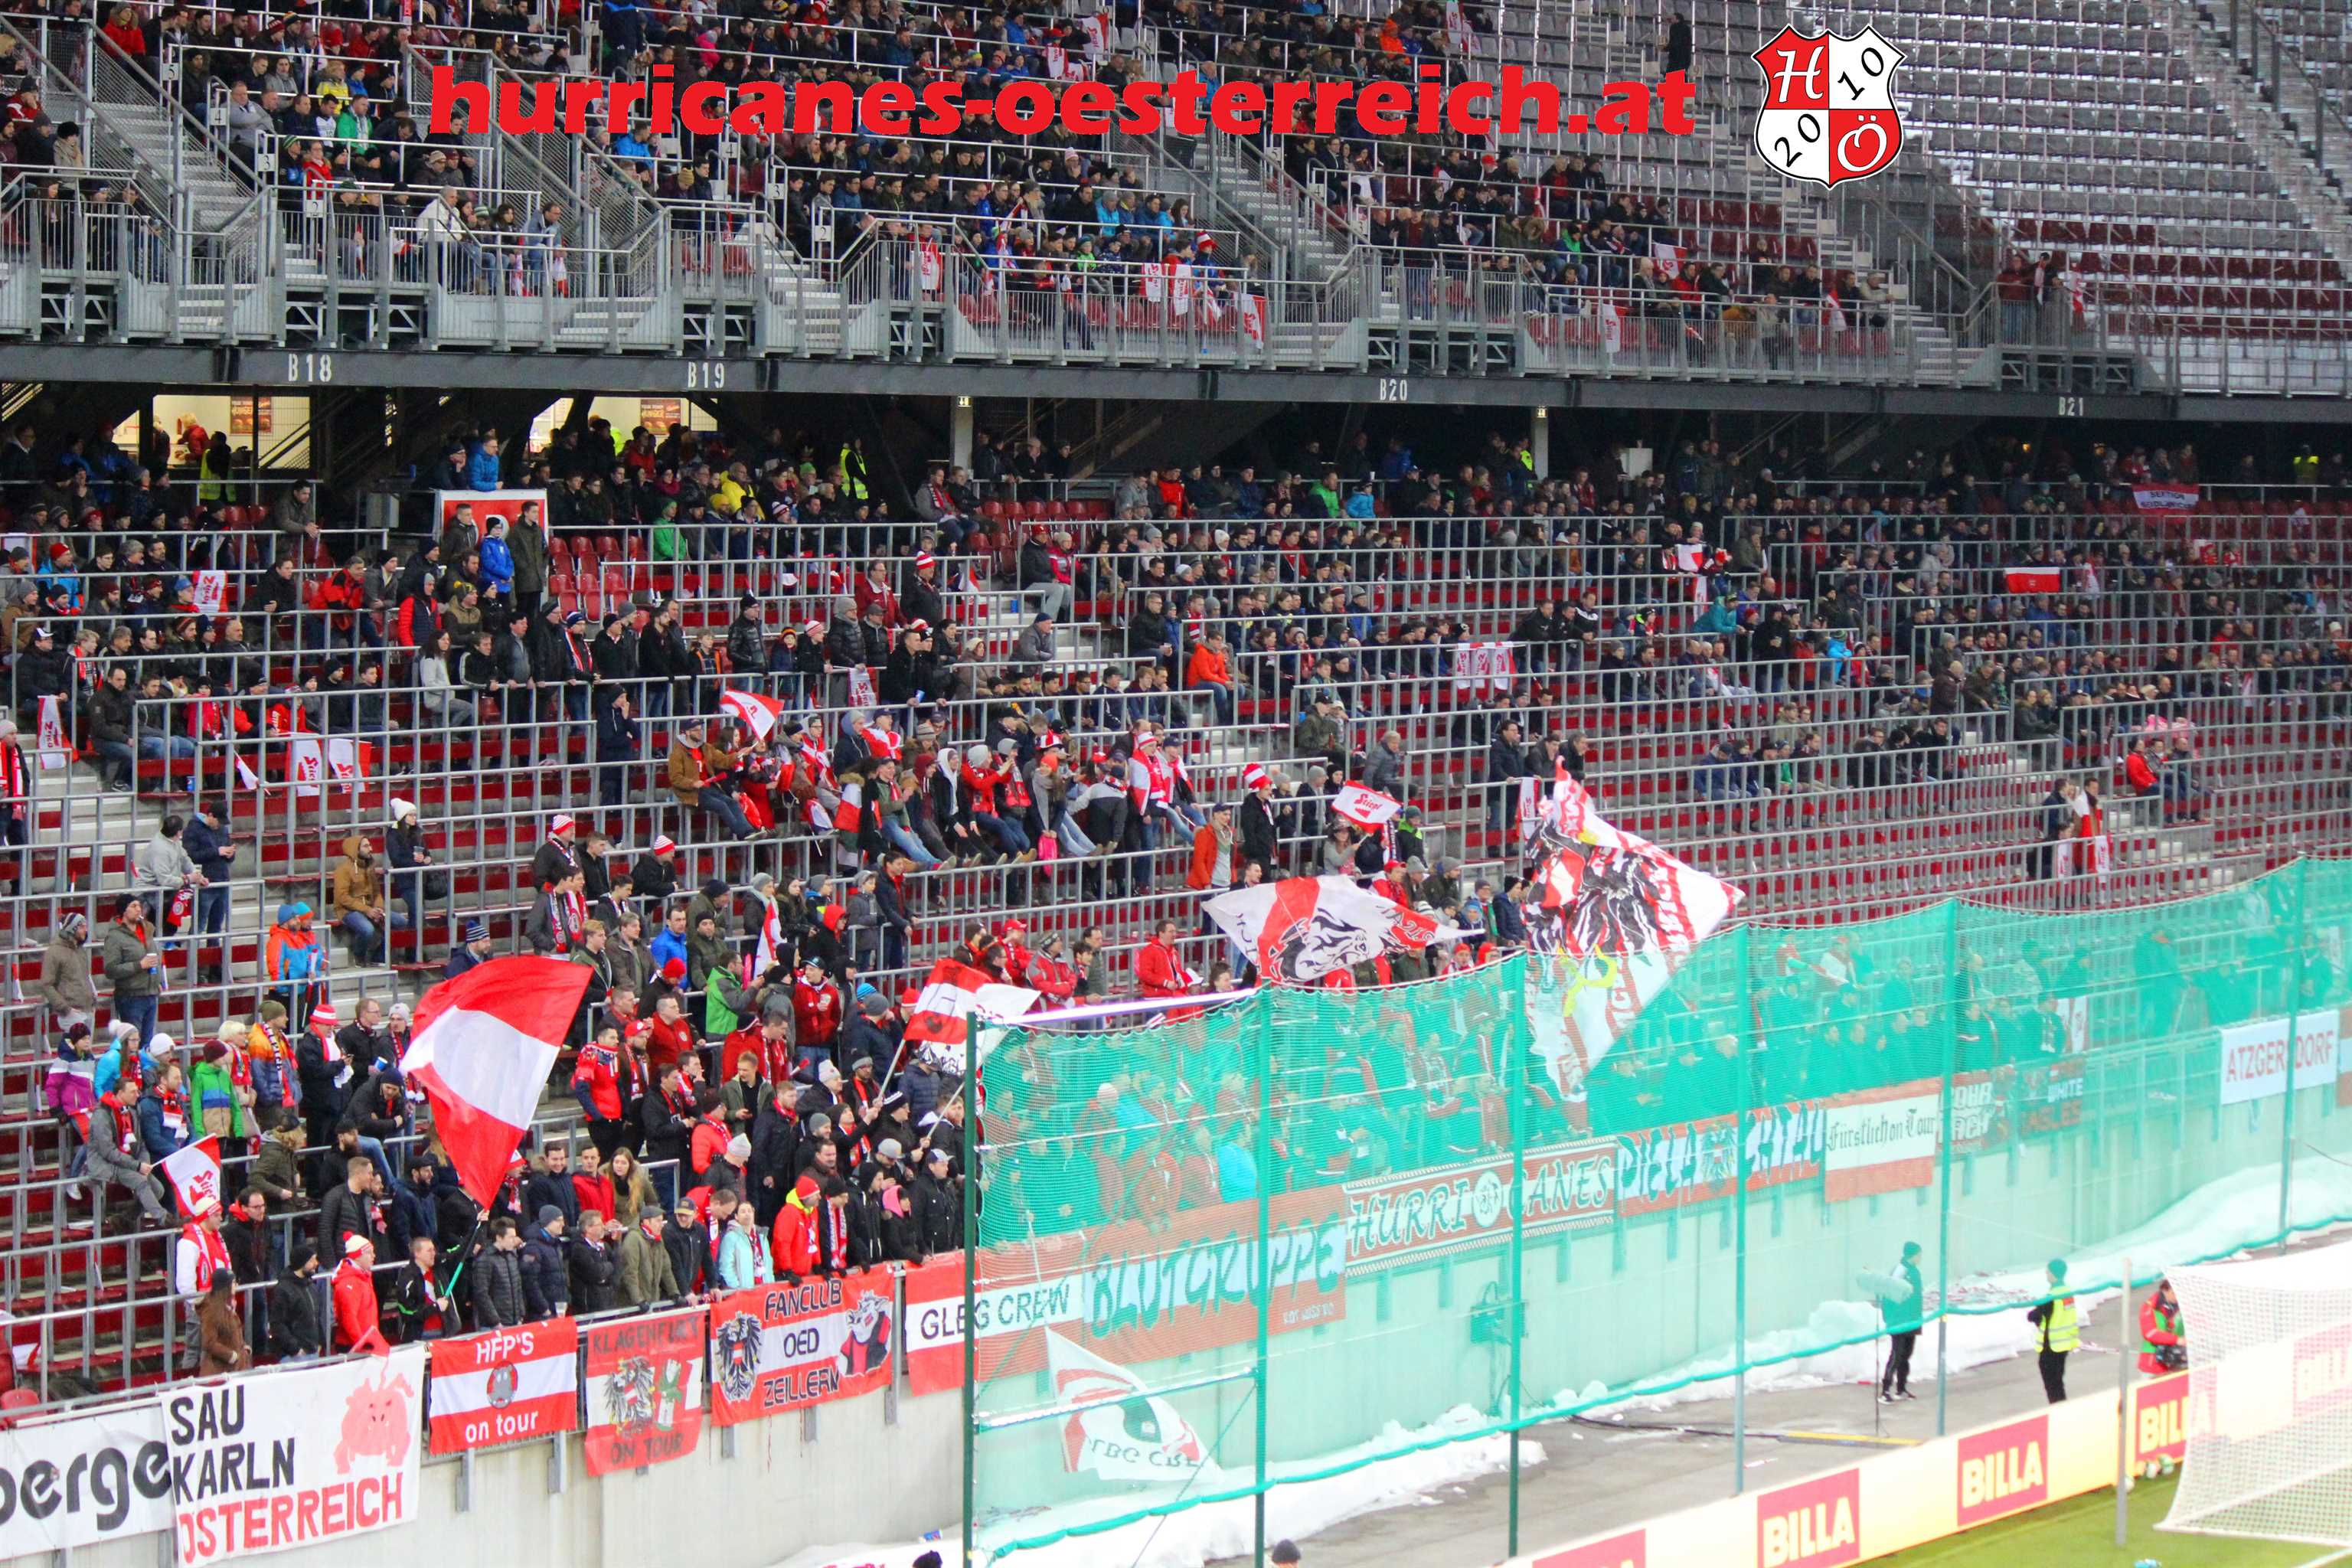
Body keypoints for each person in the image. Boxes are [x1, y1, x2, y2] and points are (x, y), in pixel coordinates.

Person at [2027, 1256, 2078, 1403]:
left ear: (2053, 1274)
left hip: (2051, 1346)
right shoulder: (2067, 1293)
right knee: (2058, 1383)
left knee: (2052, 1385)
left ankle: (2058, 1409)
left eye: (2048, 1272)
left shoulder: (2051, 1297)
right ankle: (2061, 1407)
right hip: (2064, 1344)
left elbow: (2033, 1316)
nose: (2046, 1274)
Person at [1877, 1240, 1923, 1403]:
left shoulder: (1915, 1271)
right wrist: (1890, 1318)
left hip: (1912, 1320)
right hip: (1899, 1321)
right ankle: (1885, 1390)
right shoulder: (1900, 1271)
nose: (1920, 1258)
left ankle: (1901, 1388)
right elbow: (1889, 1295)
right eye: (1919, 1254)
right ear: (1912, 1255)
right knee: (1896, 1355)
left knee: (1906, 1355)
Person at [332, 1233, 381, 1351]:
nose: (374, 1256)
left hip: (366, 1341)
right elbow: (349, 1318)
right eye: (369, 1253)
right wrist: (362, 1343)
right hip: (355, 1346)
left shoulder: (363, 1277)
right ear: (358, 1256)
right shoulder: (349, 1282)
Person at [2138, 1277, 2186, 1374]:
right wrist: (2177, 1340)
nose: (2177, 1297)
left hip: (2177, 1359)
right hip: (2153, 1363)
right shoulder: (2150, 1307)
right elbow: (2150, 1333)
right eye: (2174, 1293)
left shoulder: (2182, 1305)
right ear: (2165, 1290)